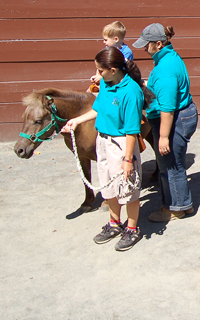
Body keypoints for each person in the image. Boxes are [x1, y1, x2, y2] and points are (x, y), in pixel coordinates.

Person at [61, 47, 145, 252]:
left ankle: (132, 228)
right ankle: (115, 223)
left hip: (122, 144)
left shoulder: (131, 92)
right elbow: (98, 109)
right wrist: (76, 120)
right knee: (108, 187)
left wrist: (127, 160)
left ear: (113, 69)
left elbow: (132, 131)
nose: (97, 75)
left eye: (100, 70)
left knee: (128, 189)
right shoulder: (107, 85)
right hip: (103, 140)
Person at [132, 23, 198, 222]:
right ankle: (183, 204)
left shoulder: (165, 71)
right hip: (181, 114)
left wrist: (162, 137)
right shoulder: (169, 57)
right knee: (174, 163)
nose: (144, 48)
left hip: (173, 119)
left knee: (170, 165)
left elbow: (167, 108)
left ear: (158, 44)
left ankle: (175, 208)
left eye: (147, 45)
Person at [90, 21, 134, 86]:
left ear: (116, 39)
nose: (103, 42)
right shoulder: (107, 49)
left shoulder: (126, 53)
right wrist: (97, 76)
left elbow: (120, 72)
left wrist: (102, 77)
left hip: (121, 83)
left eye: (106, 40)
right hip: (108, 78)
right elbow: (101, 65)